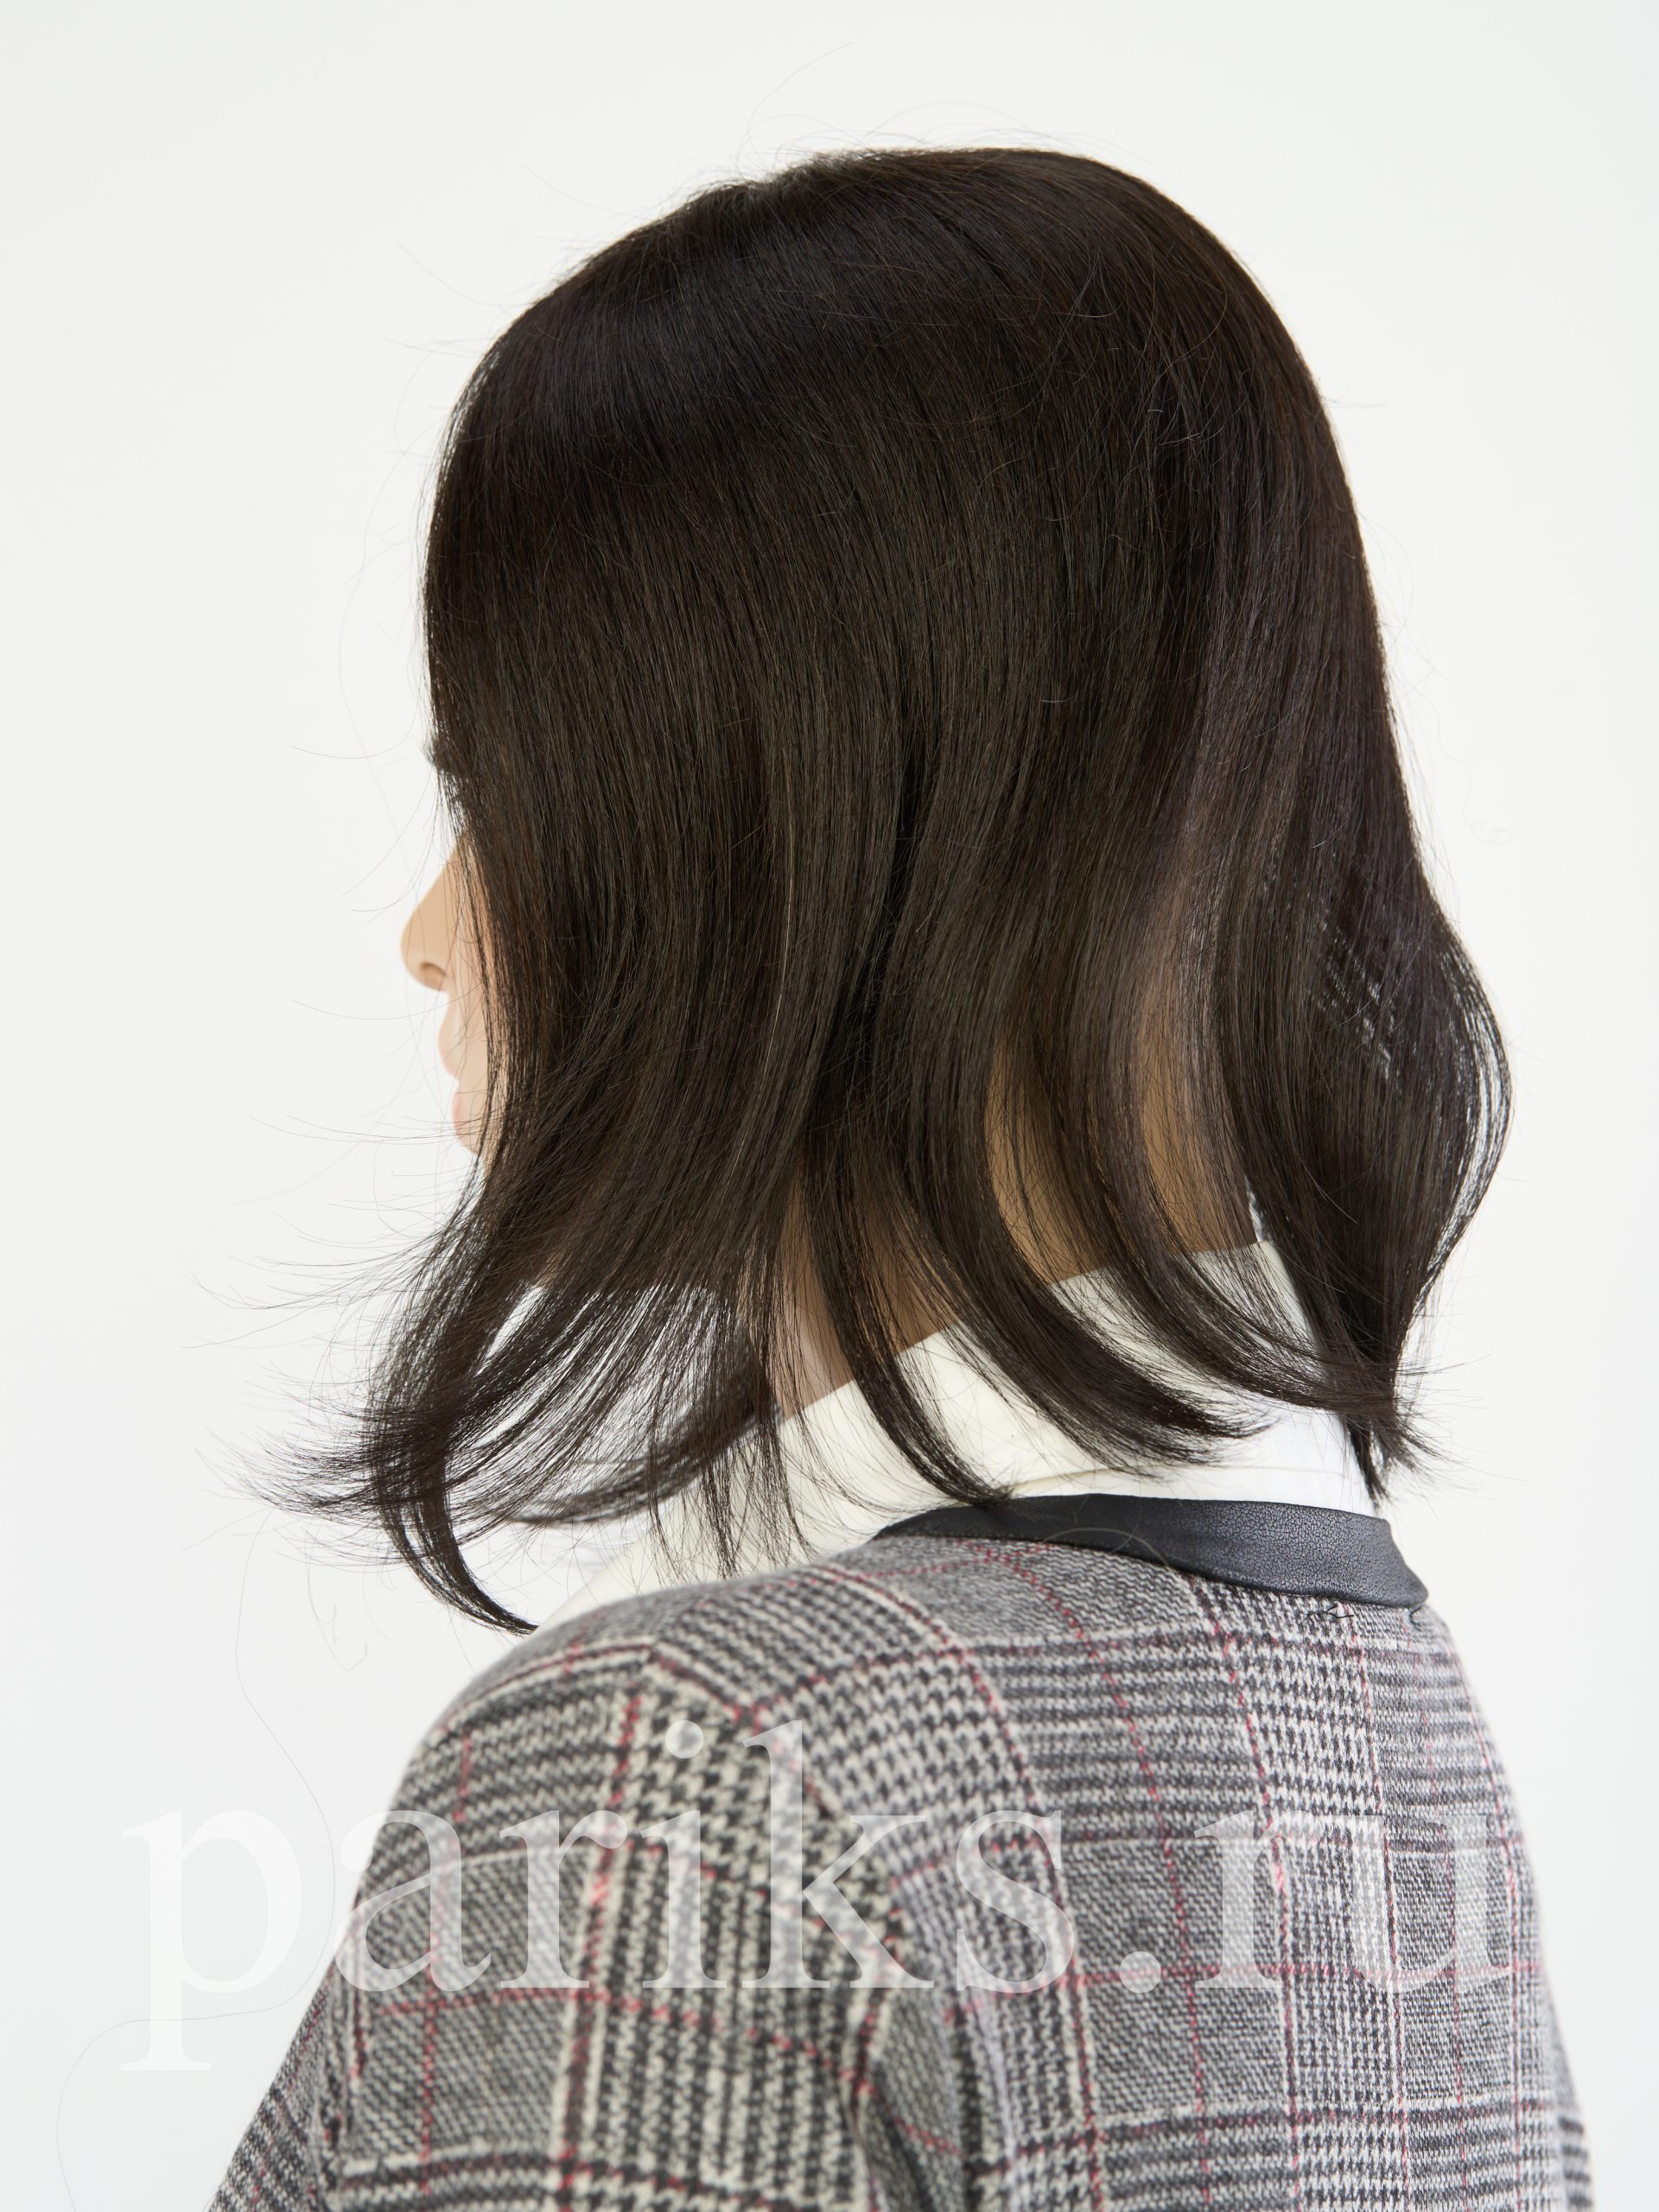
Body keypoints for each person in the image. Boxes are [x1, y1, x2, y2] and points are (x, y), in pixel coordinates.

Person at [211, 145, 1591, 2209]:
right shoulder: (1384, 1729)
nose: (430, 930)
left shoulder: (682, 1771)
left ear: (780, 820)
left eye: (493, 788)